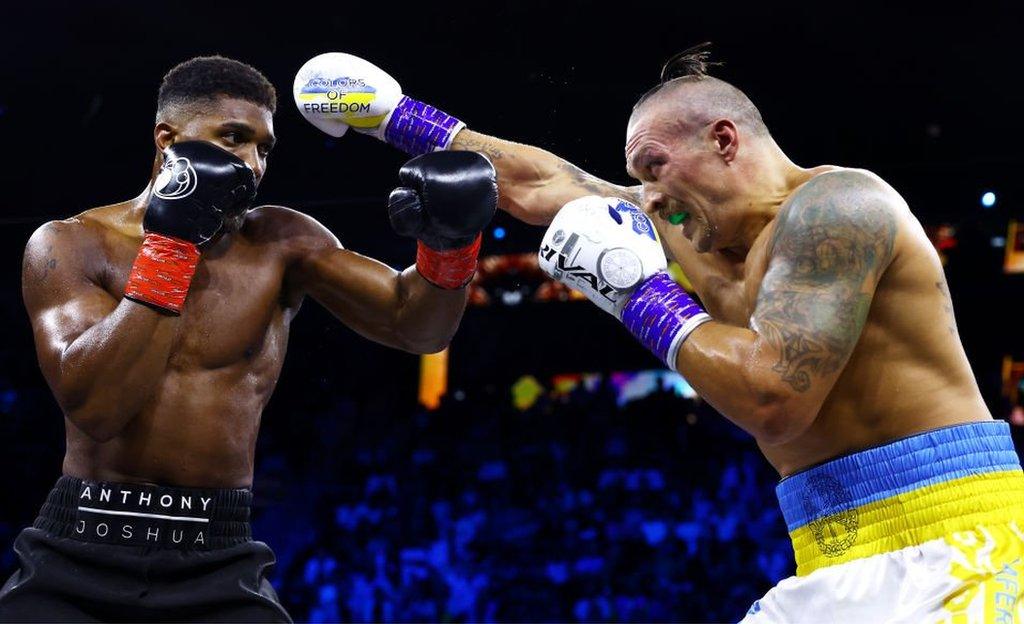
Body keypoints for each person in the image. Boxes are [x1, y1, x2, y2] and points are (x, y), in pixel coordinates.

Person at [298, 45, 1024, 622]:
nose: (645, 197)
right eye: (636, 178)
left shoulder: (837, 208)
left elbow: (776, 397)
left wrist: (638, 293)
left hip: (962, 543)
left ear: (724, 140)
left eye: (653, 167)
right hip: (830, 550)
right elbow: (545, 183)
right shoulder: (690, 231)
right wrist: (393, 116)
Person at [0, 55, 497, 622]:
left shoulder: (281, 241)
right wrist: (172, 246)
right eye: (233, 138)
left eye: (264, 149)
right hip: (78, 547)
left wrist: (450, 245)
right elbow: (98, 407)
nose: (252, 164)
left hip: (217, 557)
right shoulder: (71, 244)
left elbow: (418, 327)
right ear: (167, 139)